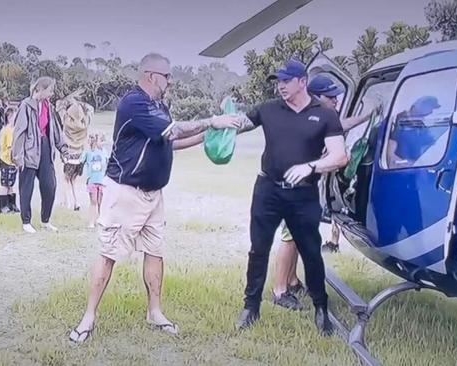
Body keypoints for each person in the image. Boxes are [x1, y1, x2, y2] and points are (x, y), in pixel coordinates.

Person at [68, 53, 240, 344]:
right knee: (109, 254)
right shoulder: (134, 102)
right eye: (167, 76)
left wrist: (210, 131)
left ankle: (155, 312)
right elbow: (172, 130)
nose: (170, 81)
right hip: (125, 191)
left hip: (153, 194)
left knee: (155, 251)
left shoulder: (160, 106)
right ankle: (88, 317)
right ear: (150, 75)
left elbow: (171, 140)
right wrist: (212, 119)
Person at [234, 60, 349, 335]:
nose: (281, 86)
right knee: (258, 250)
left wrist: (310, 166)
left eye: (286, 80)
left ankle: (321, 308)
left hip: (303, 194)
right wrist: (217, 123)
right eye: (278, 81)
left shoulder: (325, 114)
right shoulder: (269, 109)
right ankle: (251, 307)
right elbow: (239, 124)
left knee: (311, 253)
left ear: (302, 81)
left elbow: (340, 156)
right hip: (268, 190)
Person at [270, 74, 381, 311]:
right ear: (316, 97)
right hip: (293, 187)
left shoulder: (318, 117)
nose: (335, 102)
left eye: (336, 97)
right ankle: (279, 291)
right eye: (330, 97)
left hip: (304, 186)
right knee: (289, 239)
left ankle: (291, 281)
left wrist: (365, 116)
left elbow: (341, 125)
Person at [11, 77, 68, 234]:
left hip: (45, 148)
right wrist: (18, 156)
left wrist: (63, 148)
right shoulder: (26, 106)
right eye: (50, 90)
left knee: (50, 186)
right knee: (26, 188)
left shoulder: (48, 106)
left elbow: (55, 129)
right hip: (29, 150)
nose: (52, 93)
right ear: (40, 90)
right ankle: (26, 221)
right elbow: (19, 132)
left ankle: (45, 220)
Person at [58, 98, 94, 211]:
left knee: (66, 179)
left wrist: (68, 101)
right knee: (74, 179)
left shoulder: (67, 122)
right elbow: (90, 109)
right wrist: (81, 104)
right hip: (80, 156)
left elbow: (59, 106)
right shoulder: (85, 122)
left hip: (69, 155)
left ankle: (68, 202)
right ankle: (77, 201)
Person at [81, 132, 108, 228]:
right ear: (96, 141)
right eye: (102, 140)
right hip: (92, 181)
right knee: (93, 202)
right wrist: (85, 148)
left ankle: (100, 220)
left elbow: (108, 164)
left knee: (101, 202)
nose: (104, 143)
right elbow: (81, 160)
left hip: (102, 181)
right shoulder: (89, 153)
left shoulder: (104, 153)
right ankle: (91, 222)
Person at [0, 106, 20, 214]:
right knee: (5, 183)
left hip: (10, 161)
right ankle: (3, 206)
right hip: (7, 161)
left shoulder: (12, 130)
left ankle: (12, 204)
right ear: (9, 117)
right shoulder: (9, 130)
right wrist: (14, 161)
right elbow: (11, 148)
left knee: (11, 183)